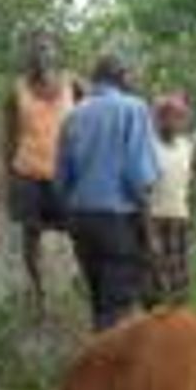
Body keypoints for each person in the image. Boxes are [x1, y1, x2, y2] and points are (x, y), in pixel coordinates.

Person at [56, 53, 160, 331]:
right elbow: (138, 177)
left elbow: (62, 181)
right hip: (117, 220)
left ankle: (99, 360)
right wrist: (150, 233)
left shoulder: (74, 114)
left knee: (98, 299)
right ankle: (109, 368)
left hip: (81, 218)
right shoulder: (133, 108)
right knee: (117, 307)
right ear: (122, 77)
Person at [3, 33, 75, 318]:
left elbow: (94, 114)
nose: (41, 54)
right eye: (36, 50)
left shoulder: (72, 83)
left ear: (56, 53)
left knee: (78, 230)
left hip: (63, 174)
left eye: (47, 48)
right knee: (30, 237)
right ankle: (39, 295)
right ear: (29, 56)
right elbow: (9, 137)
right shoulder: (17, 88)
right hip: (27, 173)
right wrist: (7, 177)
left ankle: (79, 287)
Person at [148, 92, 196, 306]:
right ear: (160, 119)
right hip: (152, 216)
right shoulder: (149, 144)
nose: (176, 122)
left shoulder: (187, 145)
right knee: (155, 274)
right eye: (170, 117)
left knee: (178, 274)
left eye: (180, 117)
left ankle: (179, 321)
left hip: (178, 216)